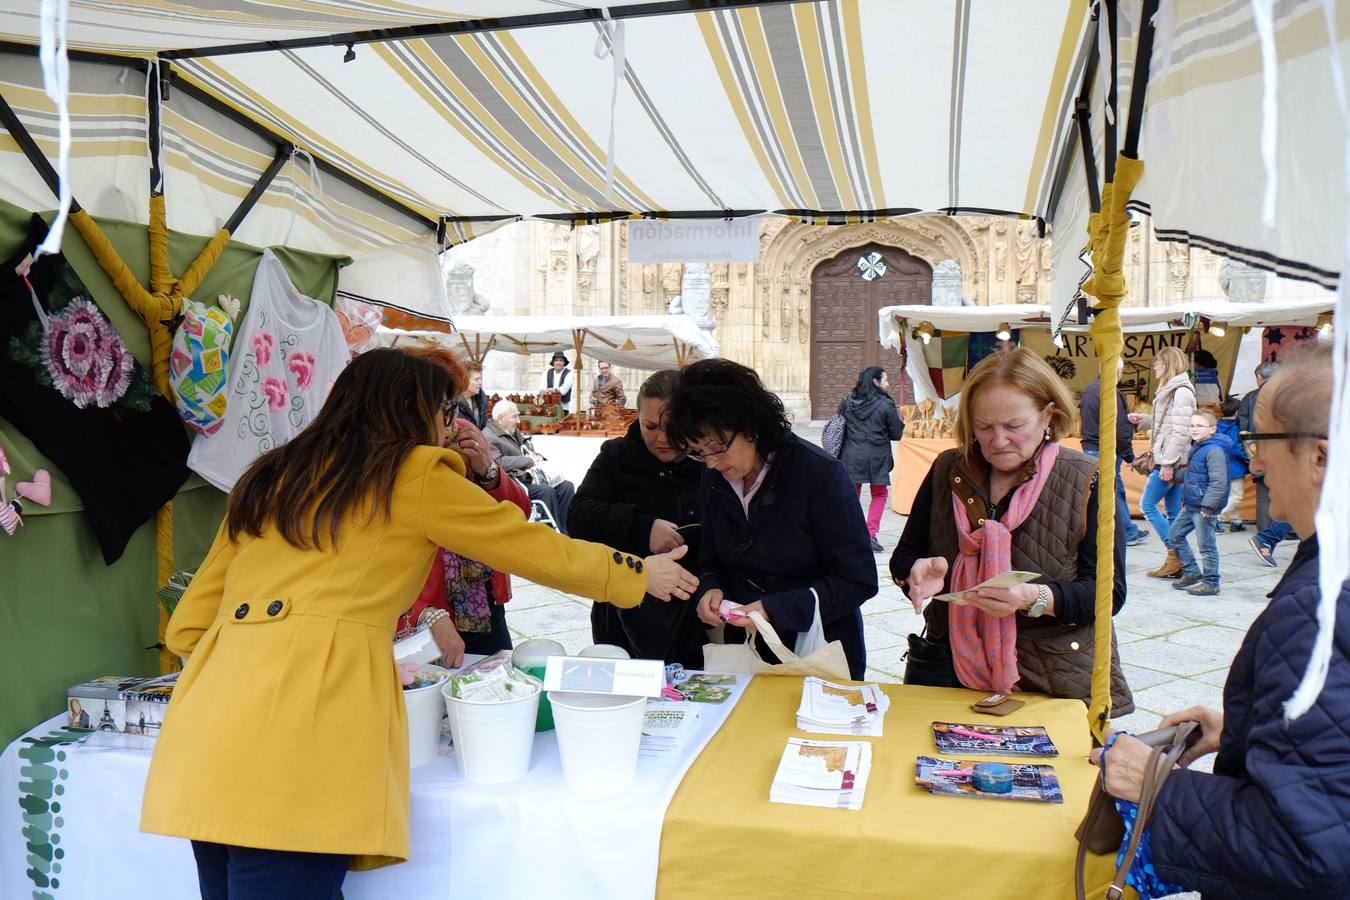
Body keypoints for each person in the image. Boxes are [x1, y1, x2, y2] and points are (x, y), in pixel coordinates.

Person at [140, 348, 698, 899]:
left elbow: (189, 626)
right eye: (443, 411)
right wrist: (633, 574)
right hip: (303, 731)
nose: (448, 425)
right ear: (413, 412)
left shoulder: (271, 476)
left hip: (207, 725)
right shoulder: (411, 473)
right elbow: (527, 546)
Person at [1095, 344, 1348, 898]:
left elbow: (1309, 849)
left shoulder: (1323, 604)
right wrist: (1245, 730)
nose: (1253, 463)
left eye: (1259, 441)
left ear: (1321, 456)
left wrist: (1160, 788)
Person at [890, 348, 1132, 712]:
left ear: (1048, 415)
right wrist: (914, 571)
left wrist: (1031, 597)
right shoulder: (947, 469)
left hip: (1051, 679)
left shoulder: (1086, 478)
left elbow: (1107, 594)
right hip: (948, 670)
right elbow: (904, 557)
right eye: (983, 427)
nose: (998, 441)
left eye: (1014, 426)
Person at [664, 359, 878, 680]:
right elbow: (711, 557)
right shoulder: (715, 477)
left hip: (817, 650)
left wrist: (776, 609)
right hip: (747, 650)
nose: (709, 463)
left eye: (717, 448)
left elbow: (858, 580)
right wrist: (711, 586)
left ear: (749, 425)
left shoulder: (819, 474)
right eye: (698, 452)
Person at [569, 370, 706, 668]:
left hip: (697, 618)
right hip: (622, 616)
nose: (662, 438)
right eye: (651, 427)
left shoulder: (710, 459)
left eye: (673, 427)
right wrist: (642, 527)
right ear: (637, 417)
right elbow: (578, 516)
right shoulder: (617, 455)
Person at [404, 348, 526, 661]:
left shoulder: (467, 433)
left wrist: (489, 470)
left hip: (480, 598)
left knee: (492, 680)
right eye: (443, 404)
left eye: (452, 403)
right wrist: (422, 612)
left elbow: (518, 514)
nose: (451, 417)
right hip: (422, 605)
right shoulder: (393, 454)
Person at [1129, 346, 1196, 578]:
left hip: (1170, 460)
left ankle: (1175, 554)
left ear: (1166, 365)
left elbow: (1181, 432)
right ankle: (1183, 563)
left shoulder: (1180, 392)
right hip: (1173, 459)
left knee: (1147, 506)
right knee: (1173, 513)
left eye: (1157, 364)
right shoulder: (1173, 390)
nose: (1154, 368)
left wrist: (1167, 463)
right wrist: (1145, 420)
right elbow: (1169, 424)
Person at [1079, 359, 1149, 547]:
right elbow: (1118, 428)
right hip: (1105, 448)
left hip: (1091, 445)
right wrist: (1129, 454)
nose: (1121, 375)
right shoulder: (1110, 391)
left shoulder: (1089, 389)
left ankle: (1117, 531)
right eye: (1121, 371)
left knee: (1103, 491)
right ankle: (1126, 532)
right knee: (1112, 491)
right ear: (1116, 371)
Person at [837, 366, 904, 553]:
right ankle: (870, 534)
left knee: (852, 494)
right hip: (877, 457)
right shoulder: (885, 404)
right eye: (885, 379)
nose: (888, 383)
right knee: (880, 494)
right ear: (875, 382)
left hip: (851, 455)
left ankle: (851, 533)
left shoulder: (848, 401)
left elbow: (838, 424)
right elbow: (896, 433)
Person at [486, 399, 576, 533]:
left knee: (566, 487)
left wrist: (538, 457)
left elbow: (528, 451)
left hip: (530, 477)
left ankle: (566, 531)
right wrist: (527, 460)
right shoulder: (489, 436)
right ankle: (551, 534)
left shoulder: (512, 431)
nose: (518, 421)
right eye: (514, 417)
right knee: (546, 491)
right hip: (514, 482)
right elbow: (498, 463)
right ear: (500, 419)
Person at [1169, 411, 1232, 596]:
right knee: (1175, 535)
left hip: (1204, 507)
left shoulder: (1214, 450)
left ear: (1212, 429)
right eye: (1192, 426)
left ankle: (1211, 582)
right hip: (1192, 504)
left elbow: (1219, 481)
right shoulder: (1198, 447)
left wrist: (1209, 506)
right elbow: (1194, 475)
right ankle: (1192, 572)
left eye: (1199, 426)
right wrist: (1173, 475)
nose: (1194, 429)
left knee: (1206, 545)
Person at [1214, 396, 1249, 532]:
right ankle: (1217, 517)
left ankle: (1236, 522)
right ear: (1237, 413)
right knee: (1237, 496)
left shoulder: (1217, 425)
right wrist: (1249, 457)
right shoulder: (1234, 427)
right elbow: (1235, 447)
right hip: (1234, 467)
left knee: (1230, 495)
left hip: (1220, 465)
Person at [453, 362, 489, 430]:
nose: (480, 383)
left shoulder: (481, 401)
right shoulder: (453, 403)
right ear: (464, 380)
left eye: (480, 379)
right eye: (476, 379)